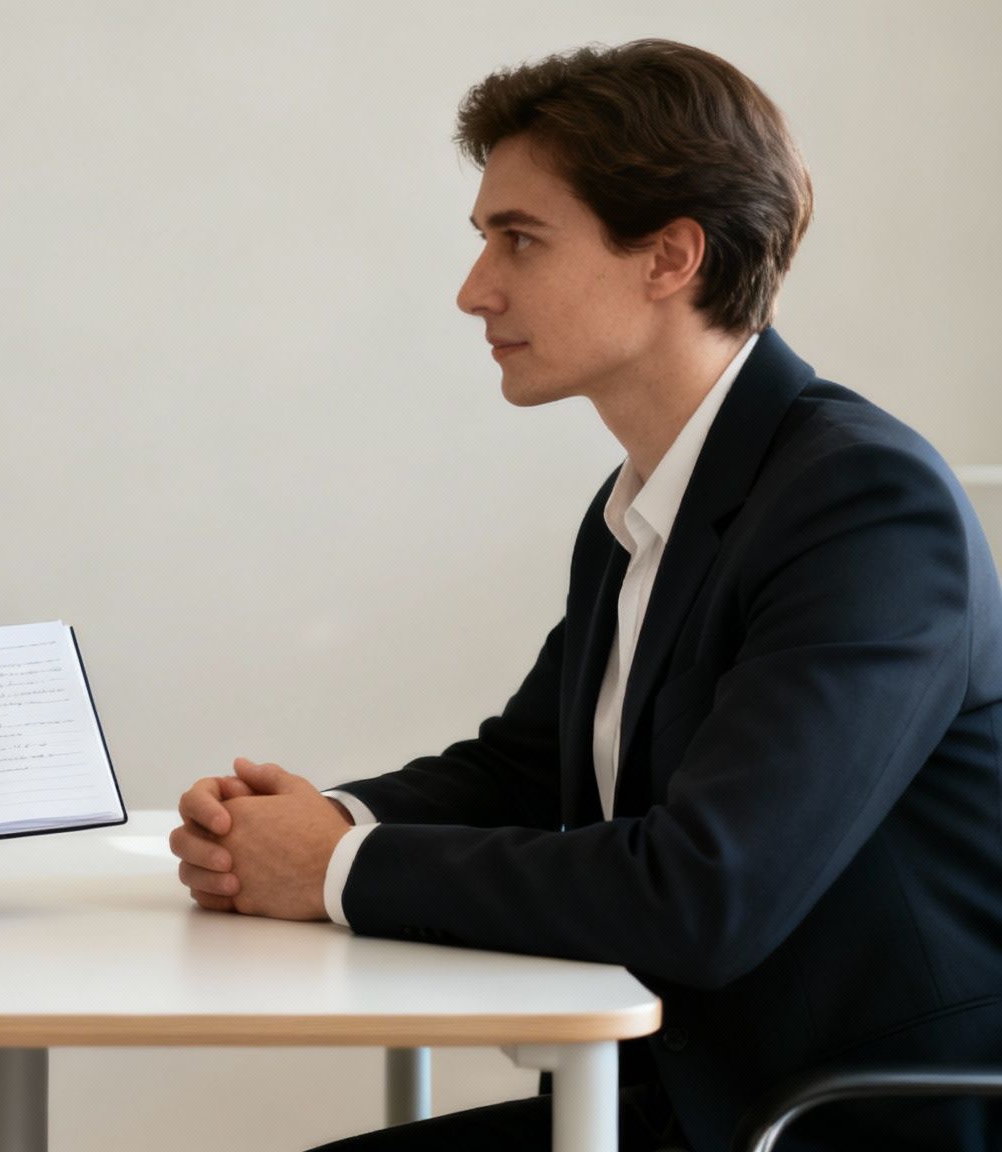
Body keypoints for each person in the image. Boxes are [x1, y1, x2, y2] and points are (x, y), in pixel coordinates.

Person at [170, 39, 1002, 1152]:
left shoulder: (861, 504)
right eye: (482, 241)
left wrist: (330, 870)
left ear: (667, 257)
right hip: (681, 1097)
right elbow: (524, 765)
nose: (474, 290)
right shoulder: (653, 498)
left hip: (832, 1119)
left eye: (518, 240)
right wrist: (327, 820)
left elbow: (703, 892)